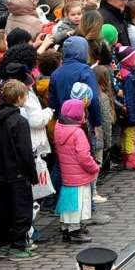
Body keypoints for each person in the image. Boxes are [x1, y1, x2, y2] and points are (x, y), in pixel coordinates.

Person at [0, 80, 38, 260]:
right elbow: (25, 151)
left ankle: (4, 243)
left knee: (5, 209)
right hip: (18, 173)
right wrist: (32, 174)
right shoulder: (19, 121)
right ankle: (18, 245)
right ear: (18, 98)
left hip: (1, 172)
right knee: (21, 210)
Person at [53, 98, 100, 244]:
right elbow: (84, 156)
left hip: (67, 174)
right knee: (79, 203)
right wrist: (94, 167)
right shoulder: (78, 133)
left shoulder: (59, 127)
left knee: (68, 202)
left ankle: (66, 227)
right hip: (79, 174)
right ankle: (75, 230)